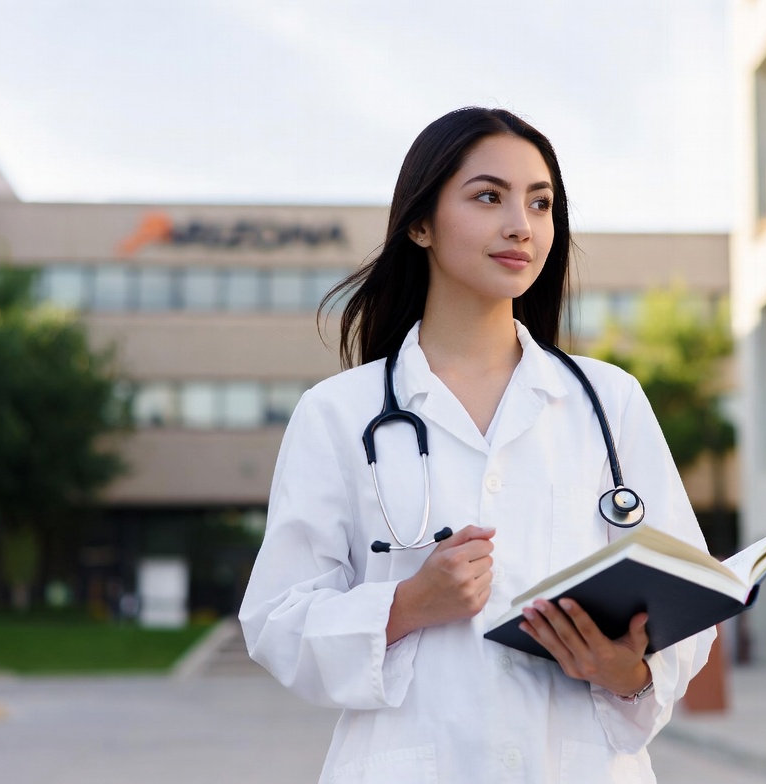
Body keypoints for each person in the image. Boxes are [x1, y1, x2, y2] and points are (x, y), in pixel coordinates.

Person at [240, 107, 716, 783]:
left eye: (541, 202)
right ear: (421, 223)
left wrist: (629, 672)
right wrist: (408, 604)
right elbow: (276, 620)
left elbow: (685, 604)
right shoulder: (338, 415)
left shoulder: (611, 403)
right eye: (489, 197)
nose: (522, 224)